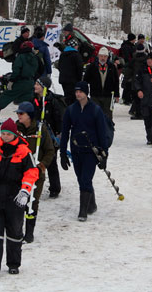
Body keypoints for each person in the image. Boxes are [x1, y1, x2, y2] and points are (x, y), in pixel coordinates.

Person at [0, 118, 39, 277]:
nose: (4, 137)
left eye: (8, 134)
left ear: (14, 135)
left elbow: (32, 173)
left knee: (15, 232)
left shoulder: (24, 152)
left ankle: (13, 264)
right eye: (2, 133)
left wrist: (25, 191)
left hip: (15, 196)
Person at [59, 81, 109, 222]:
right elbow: (65, 132)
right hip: (76, 150)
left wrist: (104, 154)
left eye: (80, 91)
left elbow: (102, 133)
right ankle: (91, 204)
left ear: (86, 93)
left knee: (86, 179)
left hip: (91, 151)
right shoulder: (70, 110)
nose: (78, 94)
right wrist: (63, 153)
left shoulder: (95, 110)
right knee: (81, 178)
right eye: (76, 91)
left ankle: (83, 211)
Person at [15, 101, 55, 243]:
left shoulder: (40, 129)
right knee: (18, 202)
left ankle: (29, 232)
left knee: (32, 202)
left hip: (36, 174)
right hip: (18, 172)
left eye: (22, 113)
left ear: (29, 116)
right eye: (18, 113)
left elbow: (50, 150)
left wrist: (42, 166)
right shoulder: (15, 128)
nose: (19, 116)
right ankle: (17, 230)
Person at [32, 76, 66, 198]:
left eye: (38, 84)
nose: (35, 86)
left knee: (51, 161)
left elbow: (59, 120)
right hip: (36, 135)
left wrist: (59, 135)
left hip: (50, 137)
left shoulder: (53, 102)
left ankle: (55, 188)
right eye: (35, 84)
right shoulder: (33, 99)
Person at [0, 41, 39, 109]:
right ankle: (28, 117)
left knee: (5, 97)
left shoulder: (20, 57)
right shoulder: (35, 58)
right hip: (30, 83)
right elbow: (39, 69)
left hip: (20, 82)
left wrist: (11, 81)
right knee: (27, 103)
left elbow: (16, 70)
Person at [84, 47, 120, 120]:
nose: (103, 58)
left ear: (107, 57)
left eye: (105, 56)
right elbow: (85, 81)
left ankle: (108, 130)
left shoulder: (112, 67)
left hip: (108, 96)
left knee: (108, 117)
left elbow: (116, 81)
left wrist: (117, 95)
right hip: (95, 95)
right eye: (101, 56)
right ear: (98, 56)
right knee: (95, 116)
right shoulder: (92, 67)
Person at [57, 34, 83, 106]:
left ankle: (67, 110)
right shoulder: (76, 55)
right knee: (73, 98)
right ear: (75, 46)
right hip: (73, 81)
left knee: (67, 96)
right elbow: (79, 68)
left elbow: (59, 66)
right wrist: (79, 79)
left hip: (63, 80)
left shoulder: (63, 54)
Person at [123, 44, 147, 119]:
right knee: (143, 98)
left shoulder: (133, 60)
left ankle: (137, 112)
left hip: (135, 81)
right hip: (145, 81)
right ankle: (140, 112)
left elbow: (128, 71)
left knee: (136, 98)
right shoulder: (147, 59)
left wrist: (125, 81)